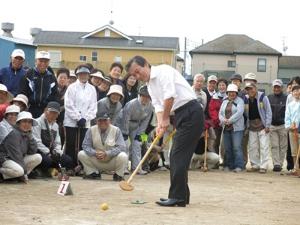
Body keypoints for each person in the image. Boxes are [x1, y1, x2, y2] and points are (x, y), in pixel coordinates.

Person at [126, 56, 204, 207]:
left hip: (191, 112)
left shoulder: (163, 71)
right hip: (181, 115)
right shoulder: (149, 86)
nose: (137, 76)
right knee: (176, 155)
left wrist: (166, 119)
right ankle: (181, 196)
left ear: (146, 64)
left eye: (137, 71)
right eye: (134, 75)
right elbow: (158, 106)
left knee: (176, 155)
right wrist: (160, 124)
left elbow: (170, 96)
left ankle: (177, 196)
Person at [64, 65, 97, 168]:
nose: (83, 76)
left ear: (88, 76)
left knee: (83, 145)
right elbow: (68, 104)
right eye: (81, 74)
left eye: (85, 74)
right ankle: (69, 166)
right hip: (71, 121)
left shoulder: (92, 89)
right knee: (70, 144)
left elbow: (93, 106)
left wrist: (85, 118)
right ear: (77, 75)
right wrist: (78, 118)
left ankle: (81, 166)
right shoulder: (71, 87)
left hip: (85, 122)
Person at [78, 112, 128, 181]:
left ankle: (118, 175)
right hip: (96, 159)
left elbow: (122, 147)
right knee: (81, 154)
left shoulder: (116, 130)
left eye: (105, 120)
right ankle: (93, 173)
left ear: (109, 121)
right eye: (100, 120)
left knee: (123, 156)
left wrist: (107, 153)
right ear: (96, 121)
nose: (102, 122)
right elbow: (85, 145)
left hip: (111, 161)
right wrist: (95, 153)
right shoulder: (91, 130)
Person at [32, 102, 74, 177]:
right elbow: (37, 142)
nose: (53, 115)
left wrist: (57, 153)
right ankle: (40, 170)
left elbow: (57, 142)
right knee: (47, 161)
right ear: (45, 111)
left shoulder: (55, 125)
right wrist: (48, 153)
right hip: (39, 151)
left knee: (68, 160)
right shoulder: (37, 122)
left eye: (56, 113)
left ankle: (51, 170)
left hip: (51, 153)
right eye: (51, 112)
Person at [119, 85, 153, 175]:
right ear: (139, 95)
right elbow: (125, 118)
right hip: (124, 124)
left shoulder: (150, 106)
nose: (145, 98)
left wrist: (140, 133)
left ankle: (137, 168)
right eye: (143, 96)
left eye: (148, 97)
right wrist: (125, 132)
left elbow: (146, 121)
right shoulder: (131, 104)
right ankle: (124, 168)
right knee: (125, 145)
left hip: (137, 125)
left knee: (138, 144)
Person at [0, 111, 42, 183]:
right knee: (19, 171)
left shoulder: (27, 134)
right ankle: (3, 175)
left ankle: (15, 177)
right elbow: (16, 156)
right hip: (5, 159)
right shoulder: (14, 134)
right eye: (24, 121)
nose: (27, 124)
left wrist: (31, 137)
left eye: (29, 122)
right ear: (18, 123)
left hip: (16, 160)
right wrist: (24, 173)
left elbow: (32, 151)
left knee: (38, 157)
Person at [18, 51, 58, 118]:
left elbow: (54, 95)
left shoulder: (52, 77)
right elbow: (22, 93)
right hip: (29, 110)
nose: (43, 63)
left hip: (46, 111)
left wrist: (49, 107)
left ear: (49, 62)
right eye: (40, 61)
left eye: (45, 61)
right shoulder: (28, 75)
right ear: (36, 61)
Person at [244, 83, 272, 173]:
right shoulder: (246, 98)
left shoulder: (263, 97)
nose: (250, 91)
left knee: (264, 146)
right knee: (252, 147)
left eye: (251, 88)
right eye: (248, 89)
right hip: (251, 125)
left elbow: (268, 111)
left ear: (255, 88)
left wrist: (267, 125)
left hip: (262, 125)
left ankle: (263, 166)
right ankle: (255, 165)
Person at [219, 84, 245, 172]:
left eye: (233, 92)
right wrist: (223, 120)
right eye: (230, 92)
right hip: (226, 128)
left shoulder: (240, 101)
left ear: (236, 93)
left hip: (237, 128)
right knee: (227, 147)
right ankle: (229, 165)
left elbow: (240, 112)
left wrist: (229, 120)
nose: (232, 94)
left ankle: (239, 165)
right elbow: (220, 113)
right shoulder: (224, 101)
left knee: (237, 147)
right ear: (227, 93)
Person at [268, 79, 288, 172]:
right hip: (272, 125)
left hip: (283, 125)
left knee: (283, 146)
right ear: (273, 87)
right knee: (274, 145)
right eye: (275, 87)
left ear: (282, 88)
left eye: (278, 87)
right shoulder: (269, 97)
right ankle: (276, 164)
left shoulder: (286, 98)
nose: (276, 89)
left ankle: (280, 163)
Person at [285, 85, 300, 172]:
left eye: (298, 91)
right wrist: (289, 126)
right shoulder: (290, 105)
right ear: (292, 93)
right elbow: (287, 117)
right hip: (292, 130)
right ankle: (296, 167)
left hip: (299, 130)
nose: (296, 93)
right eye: (294, 91)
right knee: (294, 151)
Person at [56, 68, 70, 146]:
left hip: (64, 118)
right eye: (61, 77)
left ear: (68, 80)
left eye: (65, 78)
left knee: (62, 137)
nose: (62, 79)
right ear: (57, 78)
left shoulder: (69, 90)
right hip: (53, 116)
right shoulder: (52, 89)